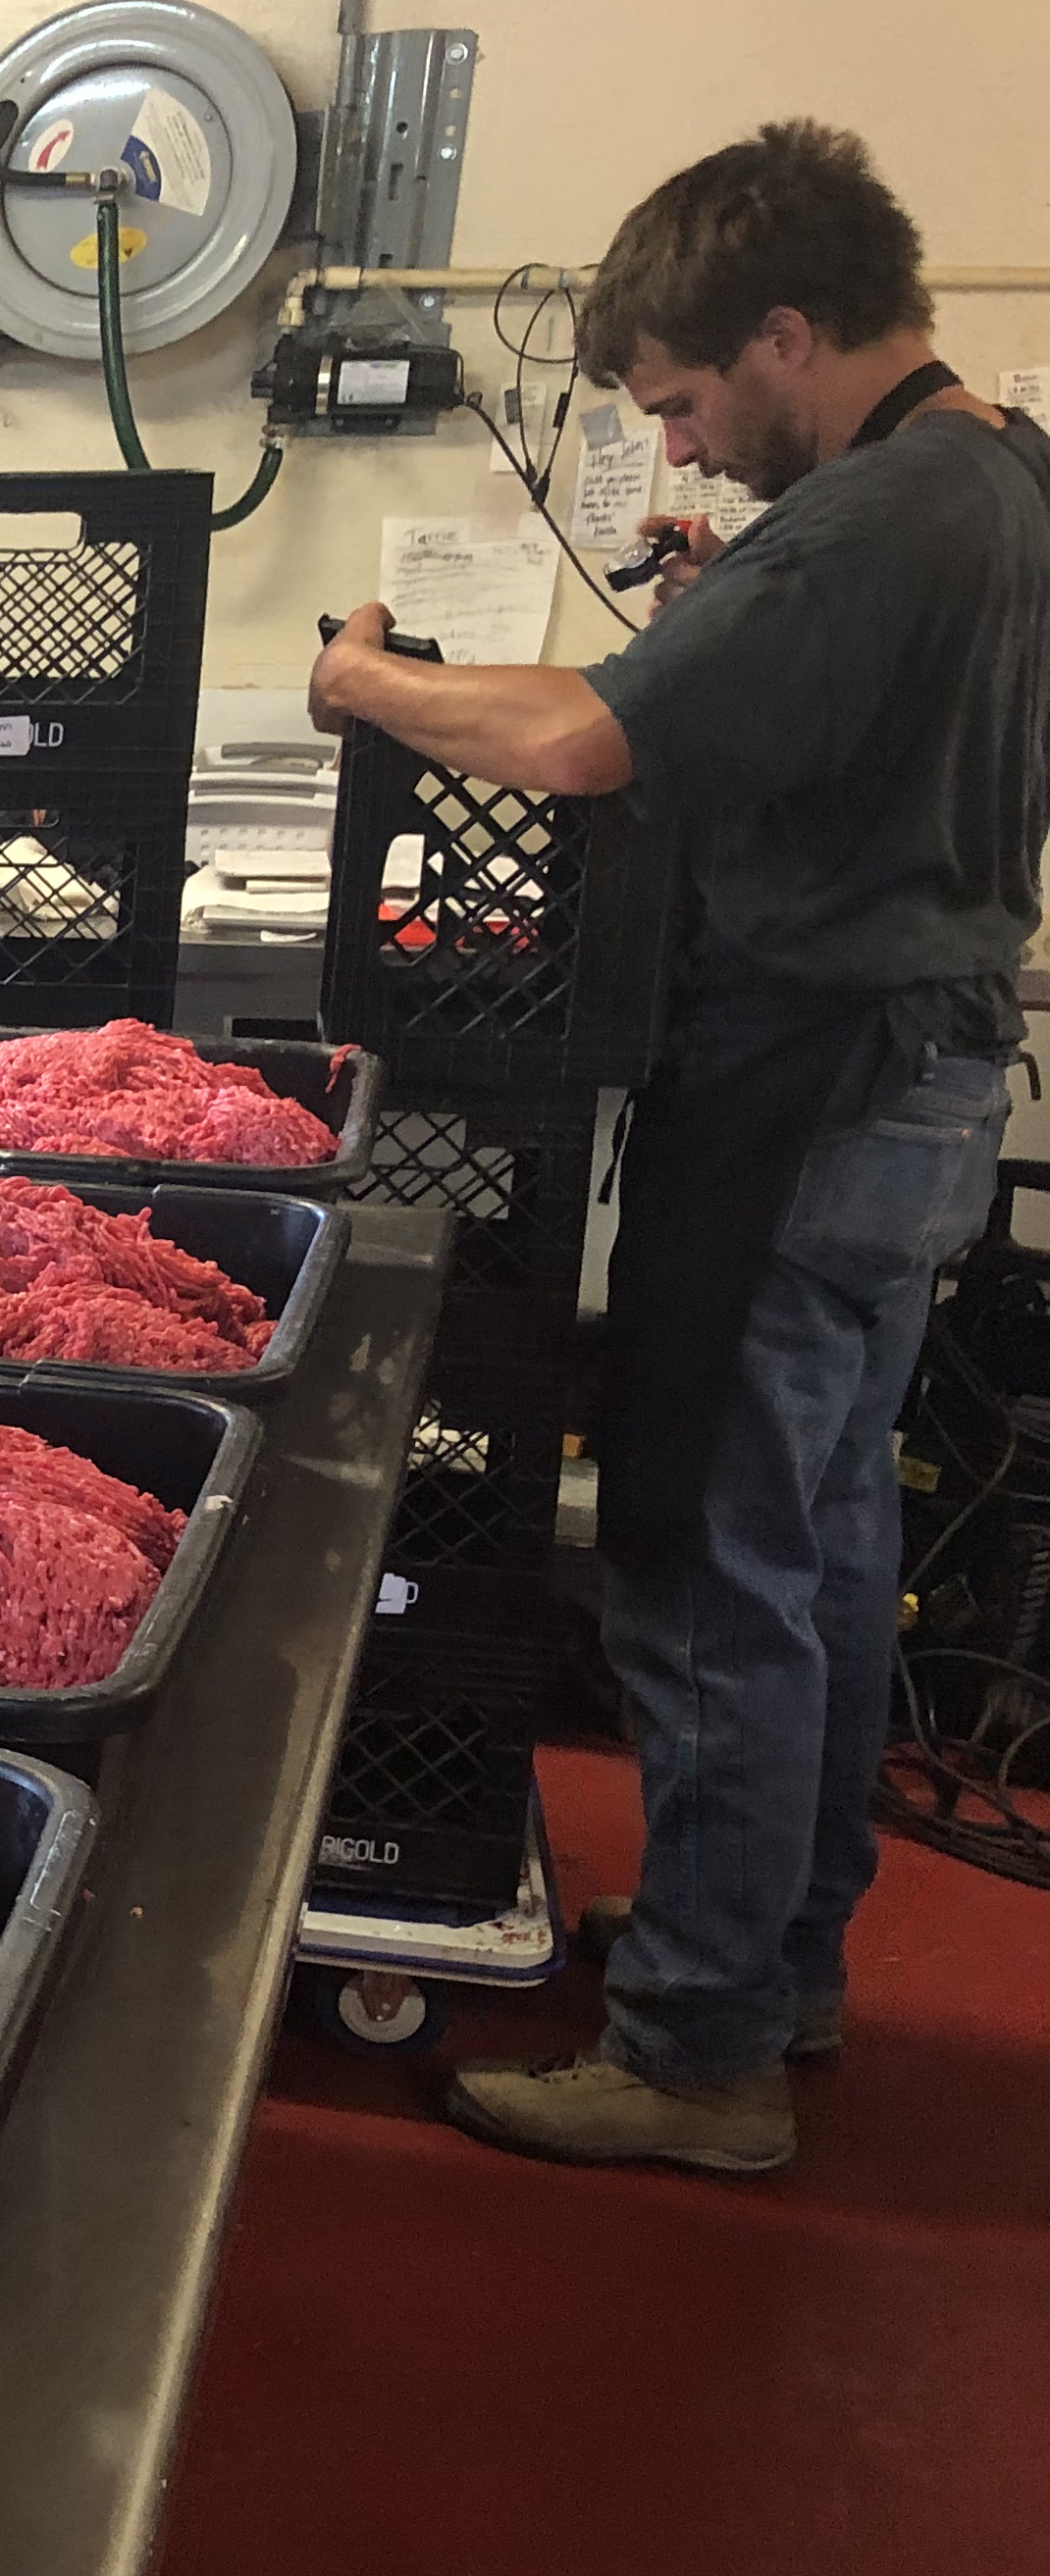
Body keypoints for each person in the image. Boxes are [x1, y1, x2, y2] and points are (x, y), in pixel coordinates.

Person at [307, 120, 1049, 2176]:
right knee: (822, 1543)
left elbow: (576, 738)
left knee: (704, 1550)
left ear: (788, 333)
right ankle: (773, 1960)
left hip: (808, 1096)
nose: (685, 447)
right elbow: (852, 721)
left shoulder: (874, 520)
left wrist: (366, 683)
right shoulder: (1001, 476)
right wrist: (742, 609)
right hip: (920, 1085)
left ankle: (699, 2055)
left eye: (689, 400)